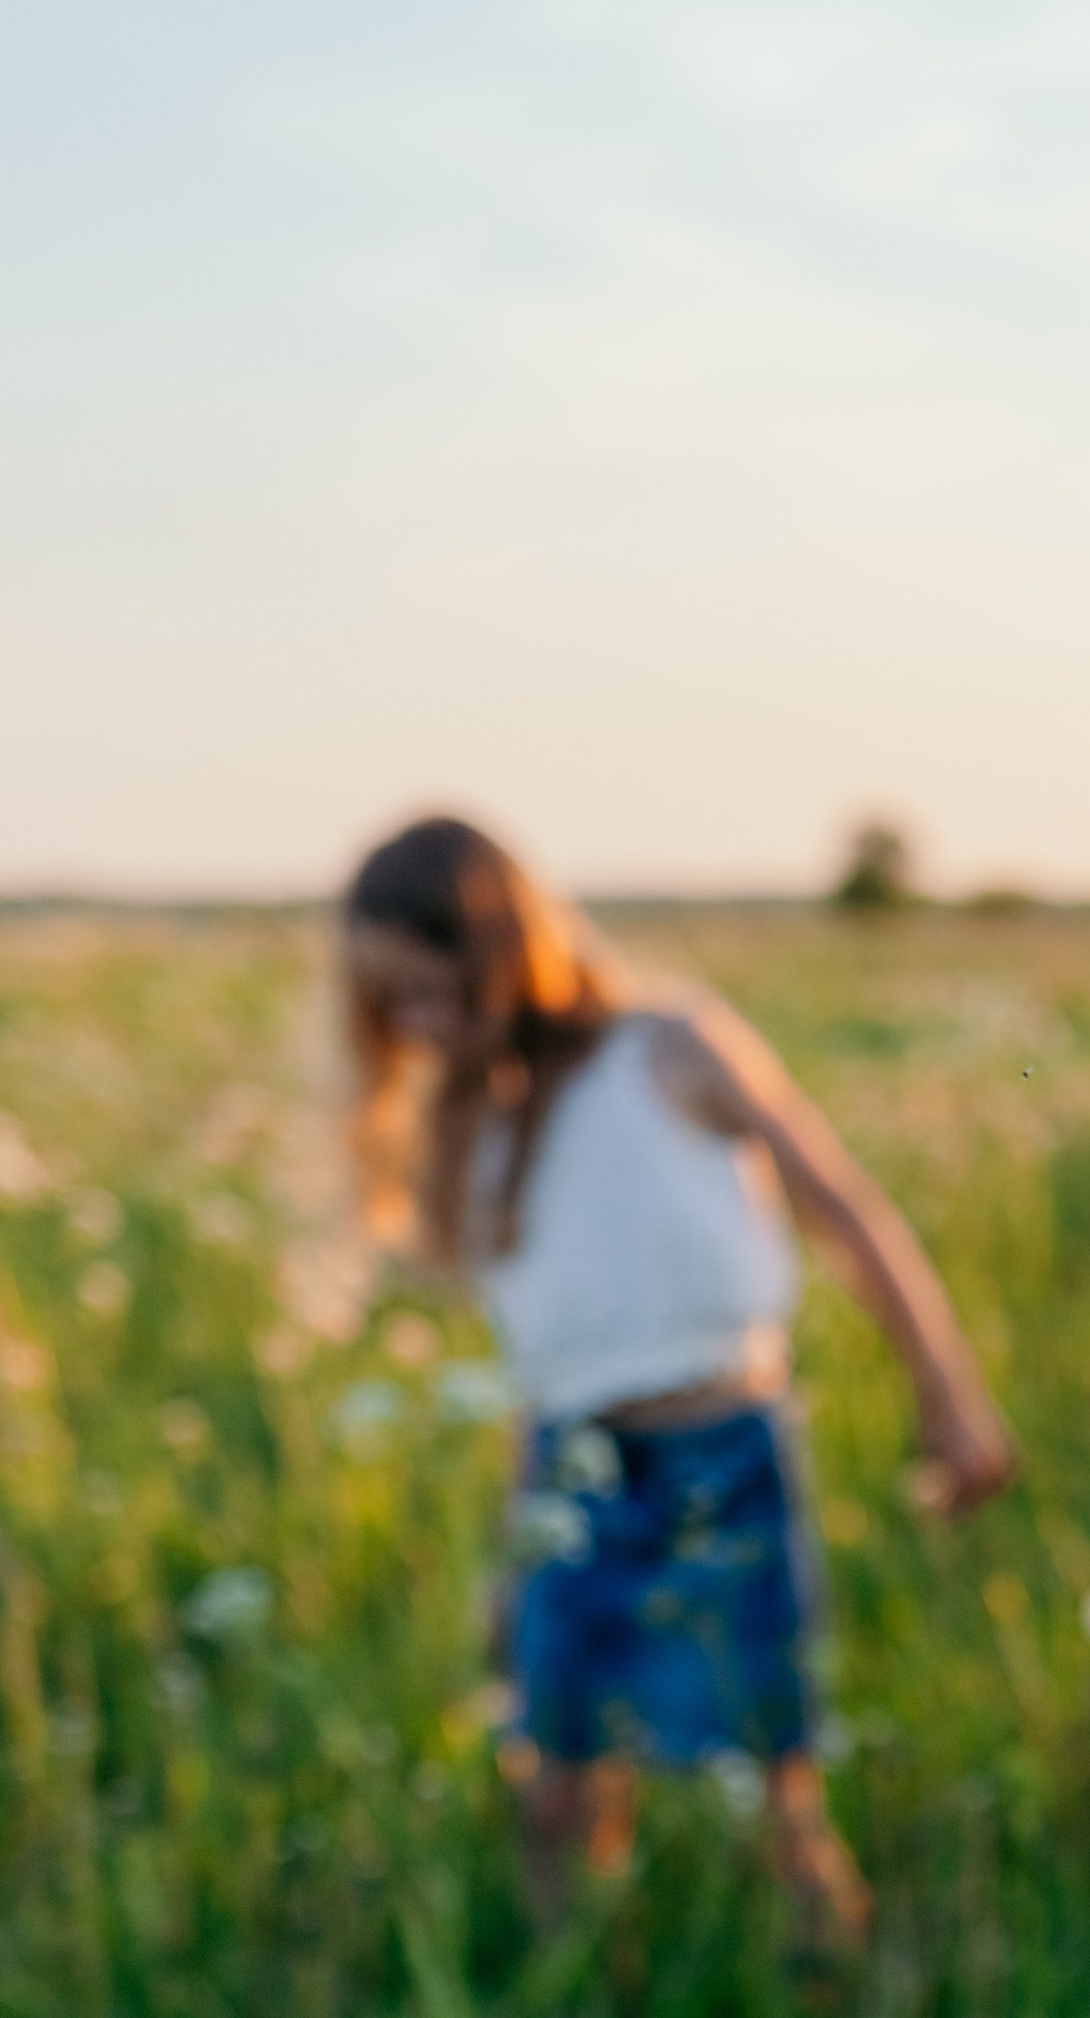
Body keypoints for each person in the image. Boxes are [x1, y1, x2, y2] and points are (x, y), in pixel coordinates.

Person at [340, 815, 1013, 1934]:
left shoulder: (668, 1045)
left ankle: (831, 1986)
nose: (414, 1024)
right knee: (555, 1786)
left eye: (429, 989)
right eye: (390, 1003)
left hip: (723, 1455)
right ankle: (577, 2001)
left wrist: (948, 1393)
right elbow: (542, 1372)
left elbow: (848, 1213)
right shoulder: (481, 1124)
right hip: (573, 1469)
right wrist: (512, 1555)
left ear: (501, 950)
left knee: (774, 1784)